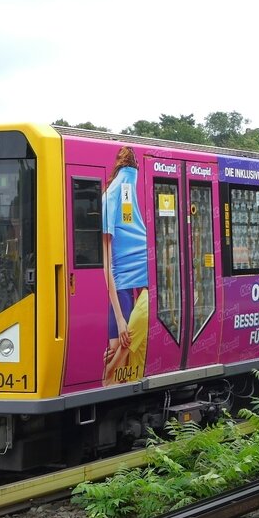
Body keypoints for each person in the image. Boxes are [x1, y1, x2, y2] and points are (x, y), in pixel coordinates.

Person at [102, 146, 149, 383]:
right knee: (116, 358)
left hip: (129, 288)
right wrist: (121, 319)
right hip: (127, 288)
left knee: (117, 354)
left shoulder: (116, 195)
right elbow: (107, 267)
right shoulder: (114, 197)